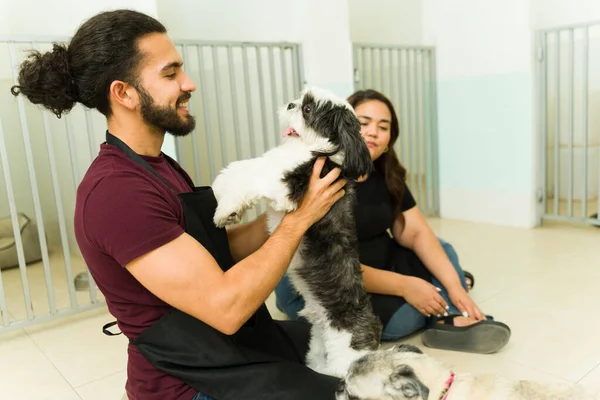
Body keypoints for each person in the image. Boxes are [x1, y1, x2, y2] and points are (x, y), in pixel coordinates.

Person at [11, 9, 347, 400]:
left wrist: (297, 208)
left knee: (346, 341)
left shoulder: (158, 166)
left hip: (224, 345)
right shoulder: (116, 193)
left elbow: (216, 250)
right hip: (190, 381)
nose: (189, 83)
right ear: (124, 93)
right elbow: (227, 307)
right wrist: (297, 222)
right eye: (170, 74)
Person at [275, 89, 511, 354]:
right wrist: (406, 285)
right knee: (402, 319)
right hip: (323, 283)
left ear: (389, 139)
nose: (373, 132)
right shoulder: (321, 177)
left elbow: (416, 232)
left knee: (441, 248)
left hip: (375, 265)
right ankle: (439, 300)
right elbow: (332, 266)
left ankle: (450, 313)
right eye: (363, 123)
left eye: (383, 126)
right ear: (342, 125)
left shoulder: (386, 174)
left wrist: (457, 290)